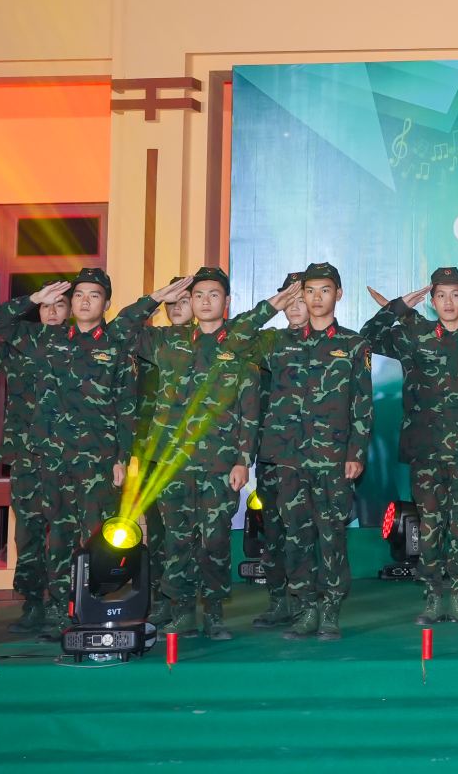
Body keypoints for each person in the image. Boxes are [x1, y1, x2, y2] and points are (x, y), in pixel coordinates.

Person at [0, 266, 173, 639]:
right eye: (78, 295)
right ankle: (62, 610)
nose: (84, 302)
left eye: (94, 296)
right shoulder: (45, 340)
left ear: (106, 304)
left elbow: (126, 407)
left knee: (96, 537)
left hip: (97, 462)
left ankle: (94, 605)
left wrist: (122, 458)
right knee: (58, 538)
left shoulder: (115, 344)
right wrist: (31, 301)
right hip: (52, 461)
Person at [130, 266, 294, 639]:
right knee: (177, 540)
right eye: (198, 295)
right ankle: (182, 611)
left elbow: (249, 412)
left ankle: (214, 614)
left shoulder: (239, 347)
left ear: (227, 302)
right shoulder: (168, 342)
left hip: (219, 463)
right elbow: (121, 331)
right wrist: (155, 299)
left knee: (215, 541)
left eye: (214, 295)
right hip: (172, 464)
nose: (205, 302)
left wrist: (243, 461)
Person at [364, 268, 458, 626]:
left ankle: (457, 597)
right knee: (428, 527)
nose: (448, 302)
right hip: (425, 451)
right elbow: (367, 338)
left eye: (455, 295)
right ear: (432, 300)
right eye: (440, 295)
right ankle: (431, 597)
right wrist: (397, 307)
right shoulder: (415, 335)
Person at [255, 262, 373, 641]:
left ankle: (330, 609)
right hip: (288, 458)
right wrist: (274, 305)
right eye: (309, 290)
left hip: (333, 459)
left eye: (325, 290)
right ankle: (305, 607)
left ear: (338, 294)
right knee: (296, 535)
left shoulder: (354, 344)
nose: (317, 297)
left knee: (332, 535)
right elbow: (234, 340)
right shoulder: (277, 343)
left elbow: (362, 404)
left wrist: (356, 453)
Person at [0, 282, 68, 634]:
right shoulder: (21, 346)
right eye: (46, 305)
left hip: (68, 457)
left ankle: (62, 604)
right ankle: (33, 603)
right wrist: (29, 300)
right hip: (26, 456)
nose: (52, 311)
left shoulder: (80, 346)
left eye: (60, 305)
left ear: (70, 311)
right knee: (28, 534)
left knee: (65, 534)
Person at [248, 274, 307, 629]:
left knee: (307, 531)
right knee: (273, 530)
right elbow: (237, 338)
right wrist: (270, 307)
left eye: (302, 298)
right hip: (273, 453)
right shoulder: (270, 341)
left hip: (313, 456)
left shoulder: (328, 343)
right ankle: (279, 601)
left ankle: (306, 601)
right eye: (289, 300)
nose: (295, 307)